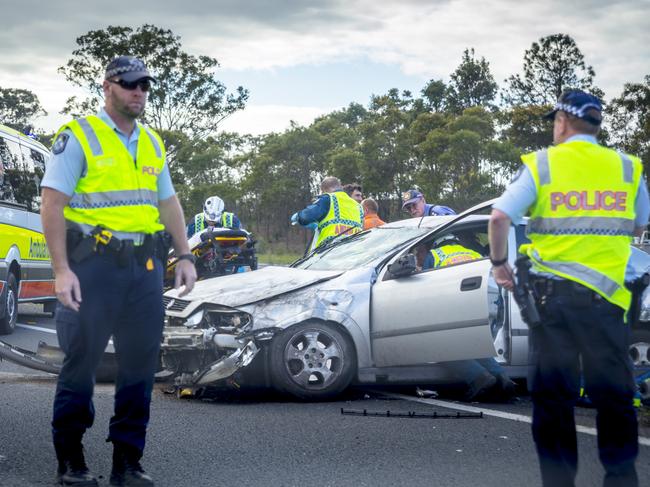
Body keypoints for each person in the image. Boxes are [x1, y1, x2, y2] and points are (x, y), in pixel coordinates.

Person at [40, 55, 197, 487]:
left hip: (144, 269)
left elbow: (168, 202)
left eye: (145, 85)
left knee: (139, 368)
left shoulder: (151, 142)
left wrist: (184, 255)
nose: (139, 92)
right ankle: (70, 460)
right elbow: (52, 203)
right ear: (107, 86)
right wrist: (61, 270)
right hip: (93, 270)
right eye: (130, 84)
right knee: (81, 364)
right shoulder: (79, 136)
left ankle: (127, 461)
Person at [488, 89, 649, 487]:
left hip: (552, 304)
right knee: (614, 398)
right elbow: (639, 225)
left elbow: (499, 217)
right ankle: (621, 479)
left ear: (562, 121)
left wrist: (498, 265)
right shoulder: (627, 167)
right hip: (608, 302)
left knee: (553, 400)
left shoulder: (543, 165)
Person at [417, 235, 515, 401]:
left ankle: (479, 378)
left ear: (437, 243)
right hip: (486, 303)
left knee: (440, 347)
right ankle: (503, 379)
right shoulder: (473, 253)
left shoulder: (434, 255)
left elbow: (425, 286)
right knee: (476, 346)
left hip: (456, 303)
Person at [291, 176, 363, 250]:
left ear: (324, 190)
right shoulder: (358, 206)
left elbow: (307, 216)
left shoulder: (328, 198)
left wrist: (298, 216)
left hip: (330, 252)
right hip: (352, 253)